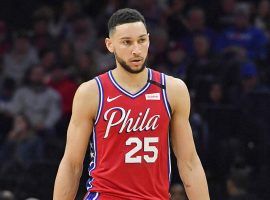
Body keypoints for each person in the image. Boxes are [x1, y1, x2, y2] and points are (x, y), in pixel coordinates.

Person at [53, 8, 210, 200]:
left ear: (149, 40)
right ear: (110, 45)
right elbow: (71, 164)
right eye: (127, 42)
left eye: (141, 40)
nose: (136, 50)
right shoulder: (91, 92)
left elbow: (190, 163)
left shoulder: (172, 89)